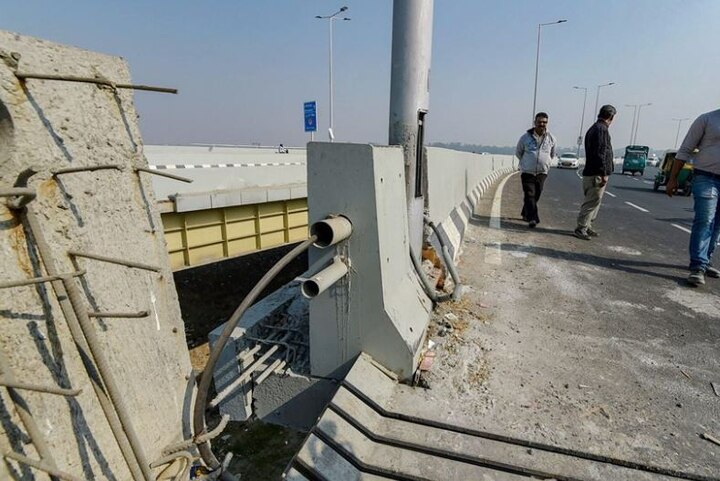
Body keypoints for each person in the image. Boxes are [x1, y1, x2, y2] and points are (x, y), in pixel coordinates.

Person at [667, 107, 720, 286]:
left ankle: (706, 261)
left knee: (717, 224)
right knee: (705, 220)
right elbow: (685, 149)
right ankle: (698, 266)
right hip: (706, 177)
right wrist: (673, 179)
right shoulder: (707, 119)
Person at [574, 105, 617, 240]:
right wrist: (604, 173)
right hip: (596, 174)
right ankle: (581, 228)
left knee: (594, 202)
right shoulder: (601, 130)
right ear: (611, 117)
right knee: (592, 202)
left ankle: (587, 226)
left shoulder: (594, 128)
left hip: (591, 172)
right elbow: (601, 153)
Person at [515, 112, 557, 228]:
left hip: (542, 172)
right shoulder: (525, 137)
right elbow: (519, 152)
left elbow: (552, 154)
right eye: (539, 122)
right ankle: (533, 218)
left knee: (536, 195)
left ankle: (525, 212)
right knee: (529, 194)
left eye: (544, 122)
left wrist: (545, 163)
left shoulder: (551, 138)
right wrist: (527, 163)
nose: (542, 124)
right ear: (535, 122)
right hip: (528, 172)